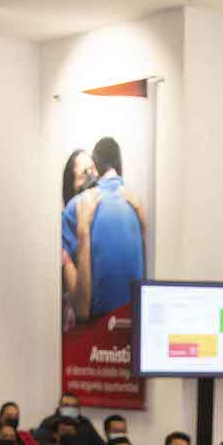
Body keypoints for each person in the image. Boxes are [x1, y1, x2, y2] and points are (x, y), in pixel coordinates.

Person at [66, 137, 147, 326]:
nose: (91, 179)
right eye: (84, 173)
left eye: (92, 170)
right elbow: (81, 311)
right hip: (102, 336)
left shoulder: (133, 205)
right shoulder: (73, 212)